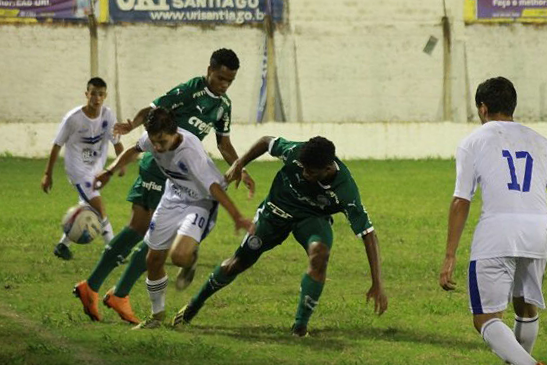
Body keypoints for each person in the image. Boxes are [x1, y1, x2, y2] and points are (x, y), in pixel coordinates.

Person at [73, 48, 255, 324]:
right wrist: (133, 124)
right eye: (219, 78)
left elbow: (223, 144)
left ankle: (118, 292)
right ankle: (97, 286)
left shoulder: (223, 106)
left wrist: (241, 167)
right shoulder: (189, 91)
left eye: (229, 81)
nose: (223, 85)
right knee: (139, 229)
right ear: (209, 70)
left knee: (150, 240)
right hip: (158, 169)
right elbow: (153, 109)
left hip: (183, 173)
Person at [172, 135, 388, 336]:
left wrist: (377, 283)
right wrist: (240, 163)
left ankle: (300, 329)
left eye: (311, 172)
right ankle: (193, 306)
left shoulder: (345, 191)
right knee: (238, 263)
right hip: (275, 210)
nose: (305, 174)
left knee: (319, 255)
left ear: (328, 168)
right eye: (303, 169)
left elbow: (369, 234)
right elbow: (267, 141)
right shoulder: (296, 152)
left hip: (311, 218)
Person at [93, 107, 253, 329]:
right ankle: (156, 317)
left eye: (161, 141)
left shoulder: (189, 152)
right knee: (153, 259)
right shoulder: (153, 137)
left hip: (200, 202)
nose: (157, 147)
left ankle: (190, 258)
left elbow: (214, 188)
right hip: (172, 197)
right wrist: (109, 171)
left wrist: (237, 216)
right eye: (153, 141)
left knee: (179, 256)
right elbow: (133, 149)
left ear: (174, 131)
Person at [439, 77, 547, 365]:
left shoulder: (473, 141)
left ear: (483, 108)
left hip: (497, 233)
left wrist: (450, 255)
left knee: (485, 318)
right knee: (526, 307)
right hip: (539, 231)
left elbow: (462, 199)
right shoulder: (540, 142)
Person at [41, 77, 124, 260]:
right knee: (99, 208)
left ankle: (63, 245)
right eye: (93, 93)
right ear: (86, 94)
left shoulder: (107, 116)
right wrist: (48, 174)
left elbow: (116, 141)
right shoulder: (73, 119)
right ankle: (114, 251)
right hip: (78, 171)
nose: (97, 98)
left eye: (100, 94)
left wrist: (121, 163)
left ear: (105, 96)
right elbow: (57, 145)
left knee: (87, 208)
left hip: (96, 170)